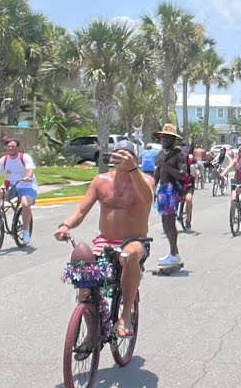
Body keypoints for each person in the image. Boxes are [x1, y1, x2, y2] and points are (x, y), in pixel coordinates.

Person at [55, 140, 152, 335]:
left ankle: (125, 316)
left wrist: (132, 170)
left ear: (134, 158)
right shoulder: (101, 181)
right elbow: (81, 211)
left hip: (134, 241)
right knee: (82, 265)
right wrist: (66, 225)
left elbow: (148, 198)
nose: (120, 157)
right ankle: (92, 327)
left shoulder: (145, 180)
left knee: (129, 255)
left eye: (125, 154)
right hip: (104, 241)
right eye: (117, 153)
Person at [0, 138, 36, 245]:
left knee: (25, 204)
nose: (10, 148)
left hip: (26, 186)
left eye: (13, 146)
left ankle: (25, 231)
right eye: (9, 146)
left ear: (18, 148)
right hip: (11, 185)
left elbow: (30, 169)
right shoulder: (4, 160)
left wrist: (28, 176)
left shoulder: (24, 157)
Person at [152, 124, 188, 268]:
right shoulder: (161, 153)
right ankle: (174, 253)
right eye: (163, 137)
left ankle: (173, 254)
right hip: (162, 190)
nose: (165, 139)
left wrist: (165, 166)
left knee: (170, 222)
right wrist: (152, 187)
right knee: (164, 223)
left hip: (172, 190)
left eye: (168, 137)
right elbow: (156, 173)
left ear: (173, 139)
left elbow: (183, 175)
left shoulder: (179, 154)